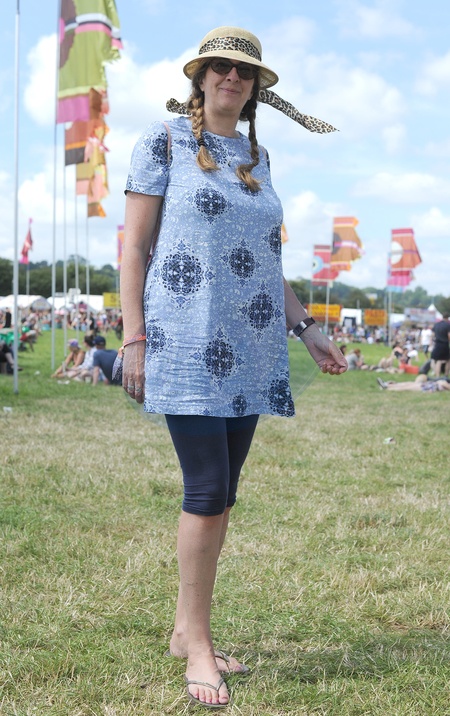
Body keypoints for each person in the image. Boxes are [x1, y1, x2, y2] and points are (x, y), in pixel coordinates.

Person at [120, 25, 347, 710]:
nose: (231, 76)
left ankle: (184, 631)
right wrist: (133, 337)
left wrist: (308, 330)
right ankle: (198, 644)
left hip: (252, 349)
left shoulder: (257, 155)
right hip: (185, 342)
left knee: (224, 496)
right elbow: (134, 248)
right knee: (207, 488)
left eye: (243, 71)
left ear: (255, 89)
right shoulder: (162, 141)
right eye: (219, 66)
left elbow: (268, 261)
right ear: (200, 76)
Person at [377, 375, 450, 392]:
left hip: (429, 387)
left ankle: (387, 387)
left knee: (407, 388)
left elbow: (444, 384)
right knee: (408, 384)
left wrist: (441, 382)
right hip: (429, 385)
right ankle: (387, 384)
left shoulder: (445, 383)